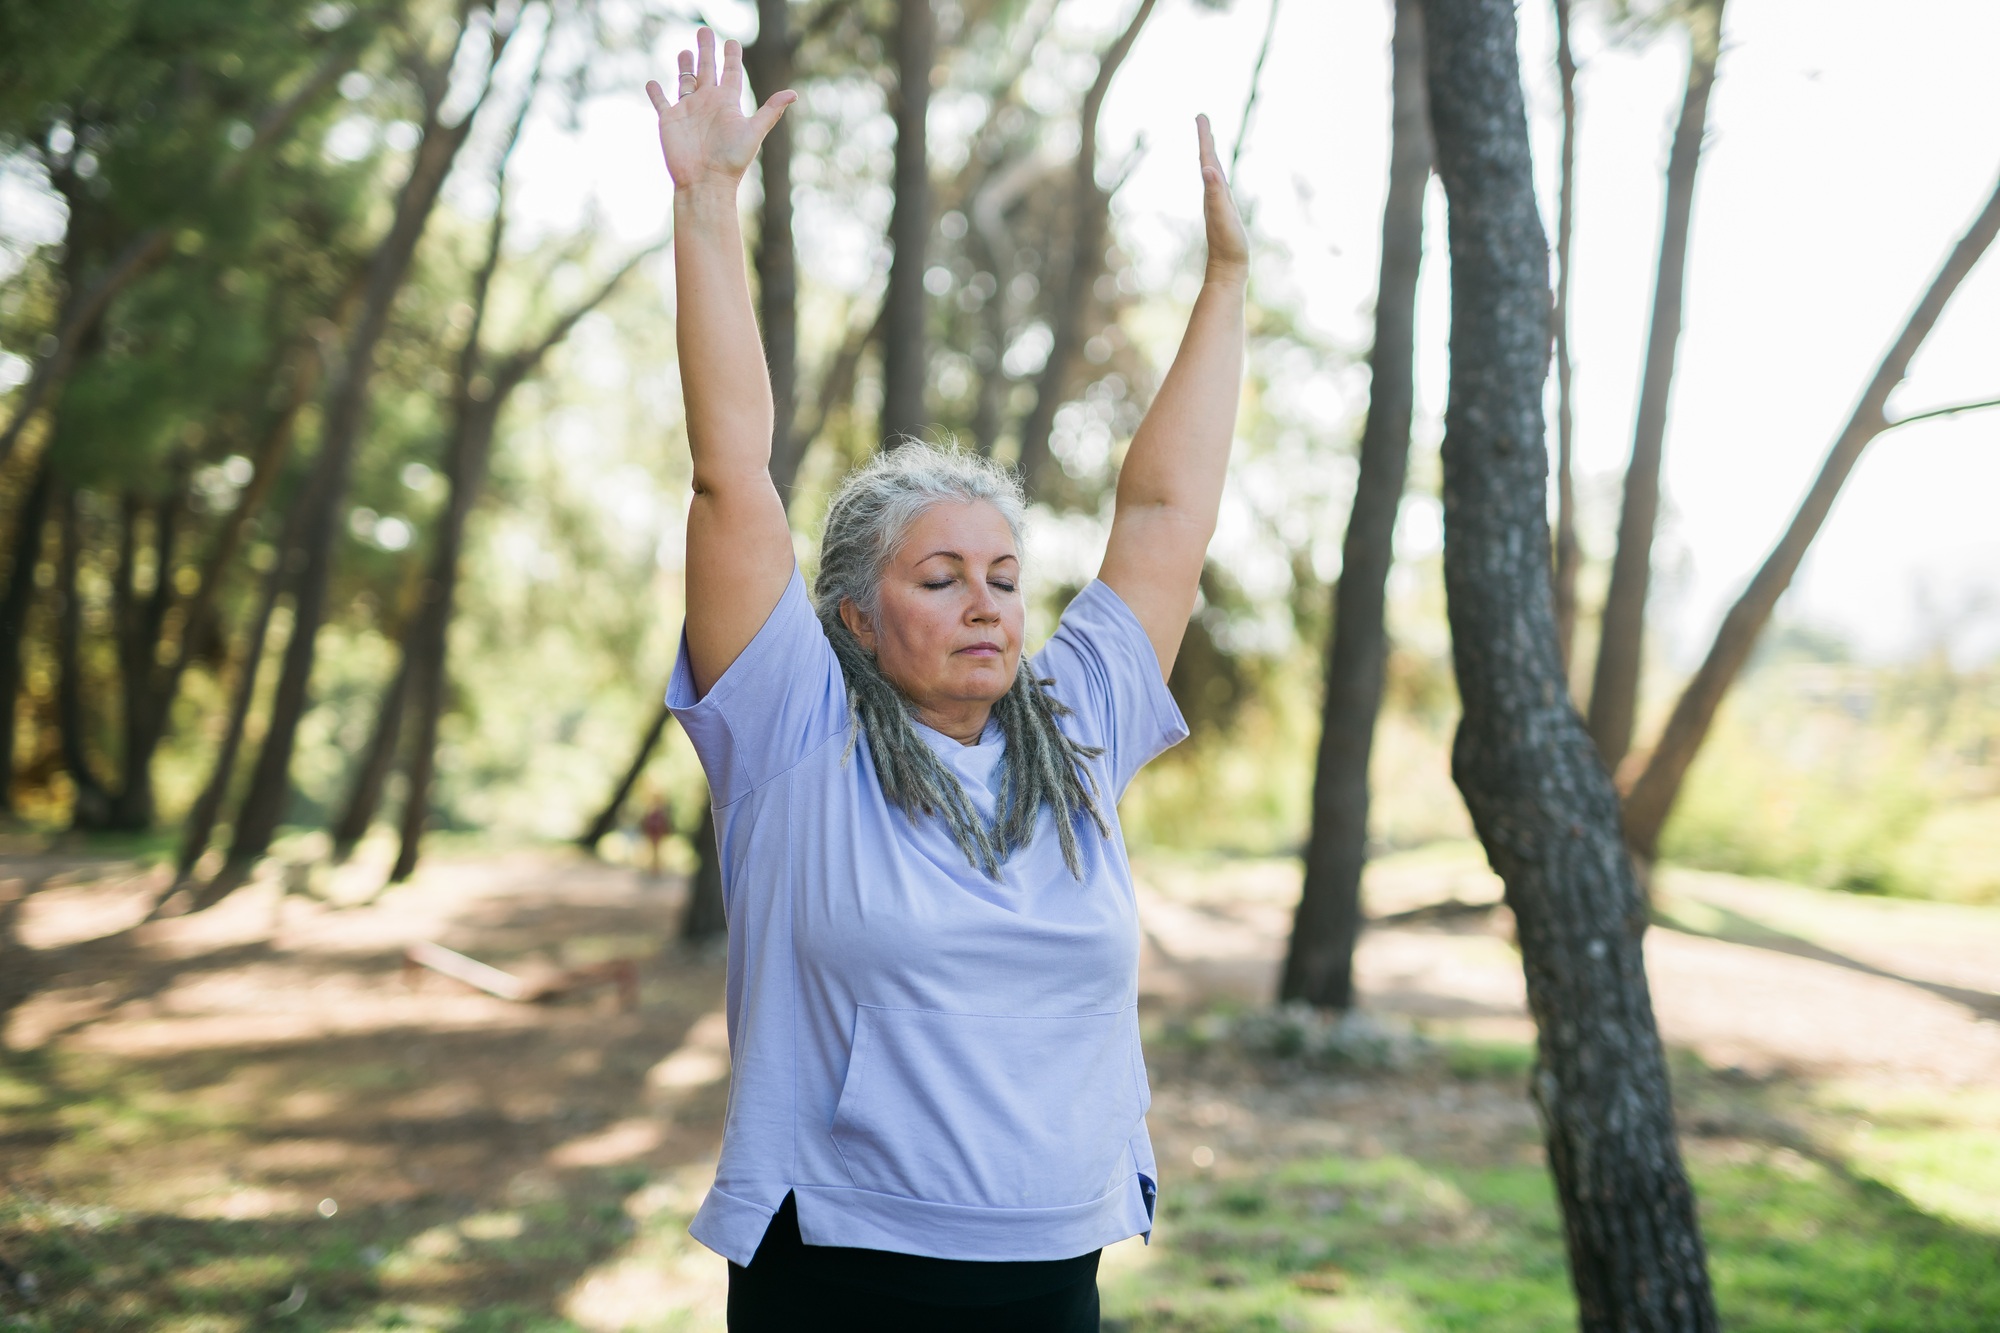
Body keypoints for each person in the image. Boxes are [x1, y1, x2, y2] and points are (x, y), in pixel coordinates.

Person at [646, 27, 1246, 1332]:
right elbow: (730, 476)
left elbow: (1162, 515)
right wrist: (705, 210)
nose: (986, 600)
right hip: (837, 1270)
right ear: (856, 616)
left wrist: (1229, 285)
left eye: (1004, 574)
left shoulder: (1074, 724)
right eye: (940, 577)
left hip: (1050, 1269)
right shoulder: (793, 723)